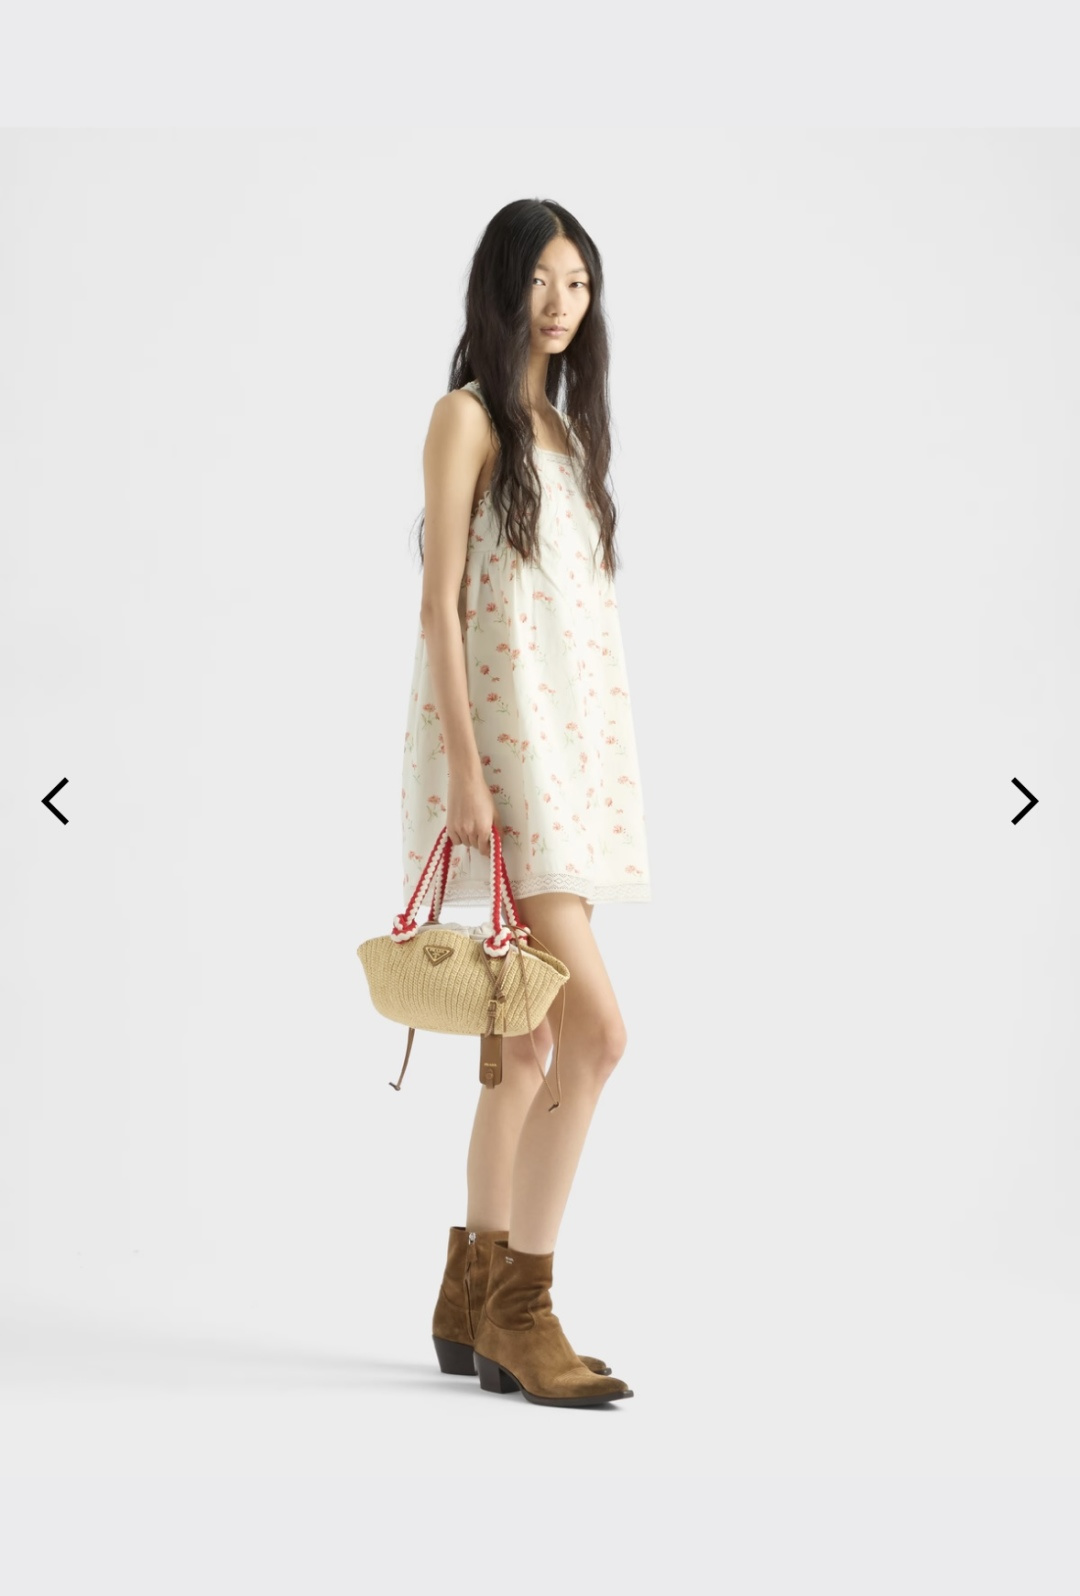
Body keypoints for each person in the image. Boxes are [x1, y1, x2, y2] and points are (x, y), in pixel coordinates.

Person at [400, 198, 651, 1408]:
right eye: (542, 280)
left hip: (573, 765)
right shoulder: (468, 417)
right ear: (502, 287)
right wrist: (466, 767)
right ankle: (522, 1308)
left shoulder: (563, 431)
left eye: (579, 283)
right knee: (597, 1036)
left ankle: (469, 1297)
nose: (561, 303)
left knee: (529, 1044)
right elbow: (440, 602)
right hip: (510, 766)